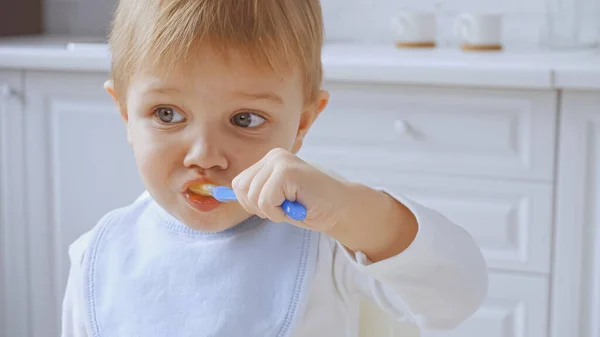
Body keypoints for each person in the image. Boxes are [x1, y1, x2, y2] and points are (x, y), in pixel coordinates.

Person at [61, 0, 488, 336]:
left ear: (302, 123)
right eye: (167, 114)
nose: (206, 156)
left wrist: (349, 211)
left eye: (245, 119)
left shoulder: (324, 241)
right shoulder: (96, 257)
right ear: (124, 116)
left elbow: (458, 295)